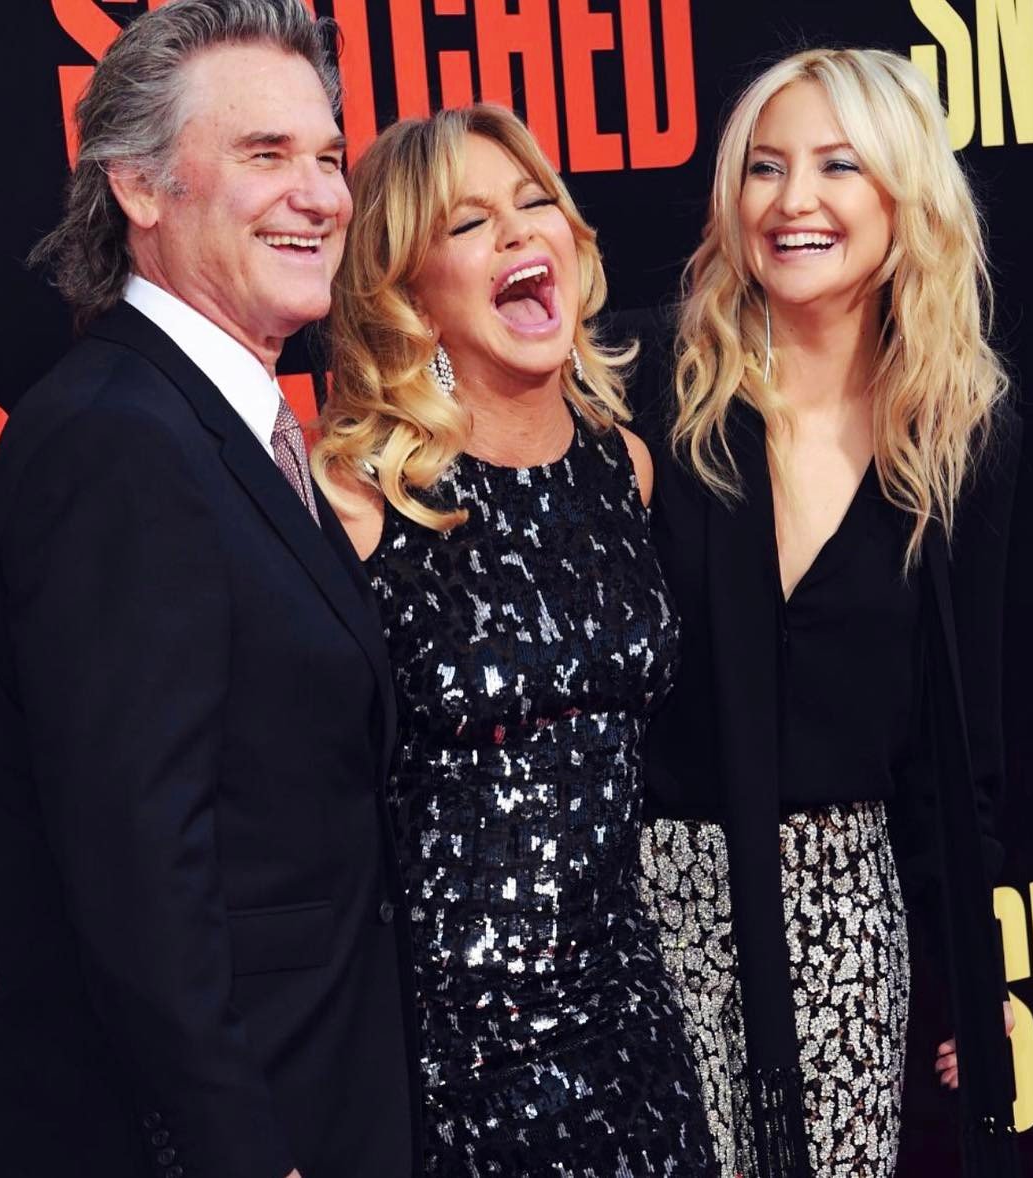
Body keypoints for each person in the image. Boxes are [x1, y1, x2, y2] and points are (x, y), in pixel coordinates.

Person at [0, 3, 419, 1176]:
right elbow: (135, 872)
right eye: (265, 155)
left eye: (328, 157)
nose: (322, 195)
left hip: (317, 1092)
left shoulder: (215, 420)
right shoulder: (115, 441)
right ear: (139, 186)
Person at [631, 48, 1020, 1178]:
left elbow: (962, 747)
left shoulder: (962, 433)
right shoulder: (652, 379)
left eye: (838, 165)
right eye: (765, 167)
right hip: (656, 907)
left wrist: (972, 967)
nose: (794, 200)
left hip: (848, 912)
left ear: (906, 198)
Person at [312, 104, 714, 1177]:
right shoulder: (359, 499)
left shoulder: (622, 466)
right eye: (471, 224)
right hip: (449, 1072)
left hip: (633, 1038)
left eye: (537, 204)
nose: (522, 234)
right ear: (406, 290)